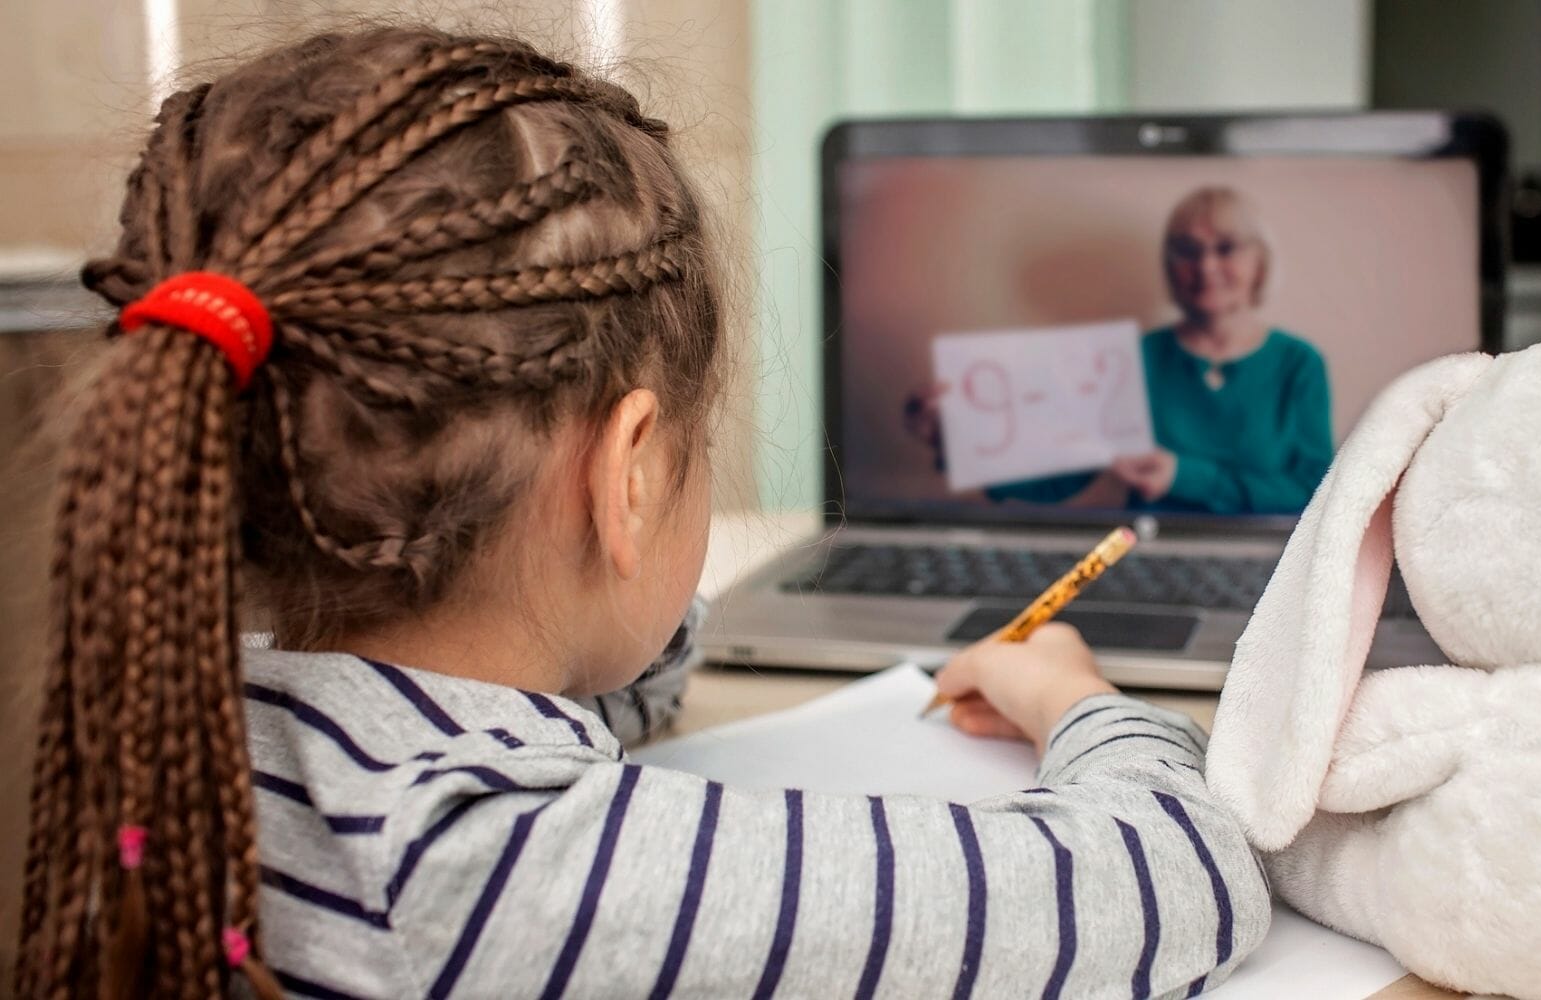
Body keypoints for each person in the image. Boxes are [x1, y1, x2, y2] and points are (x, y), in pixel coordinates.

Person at [15, 27, 1270, 999]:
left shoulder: (190, 714)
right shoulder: (518, 869)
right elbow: (1179, 872)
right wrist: (1073, 696)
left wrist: (612, 614)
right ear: (627, 475)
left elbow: (612, 690)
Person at [908, 186, 1334, 516]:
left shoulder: (1298, 363)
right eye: (1186, 250)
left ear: (1260, 262)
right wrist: (963, 438)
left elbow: (1314, 493)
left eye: (1226, 248)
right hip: (1144, 553)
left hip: (1270, 561)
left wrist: (1184, 476)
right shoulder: (1130, 358)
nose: (1205, 266)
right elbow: (1064, 475)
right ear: (1170, 265)